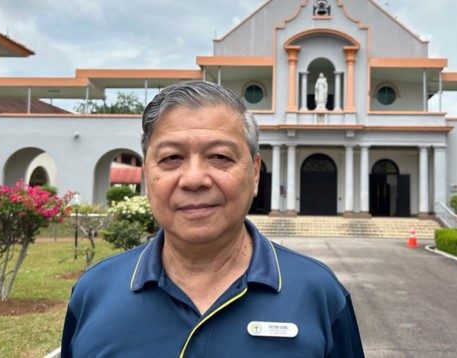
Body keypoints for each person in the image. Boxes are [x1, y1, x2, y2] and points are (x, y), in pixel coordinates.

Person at [61, 81, 364, 357]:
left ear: (255, 173)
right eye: (171, 158)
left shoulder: (318, 293)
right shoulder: (94, 293)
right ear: (146, 174)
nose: (194, 179)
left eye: (220, 157)